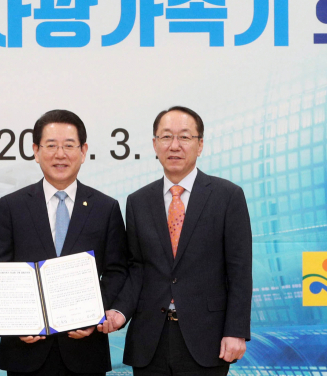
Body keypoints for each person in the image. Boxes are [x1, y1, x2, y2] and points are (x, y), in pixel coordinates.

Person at [99, 106, 252, 376]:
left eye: (185, 137)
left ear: (200, 145)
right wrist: (120, 312)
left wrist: (236, 331)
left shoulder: (227, 196)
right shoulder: (138, 201)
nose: (175, 146)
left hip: (207, 338)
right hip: (150, 339)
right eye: (166, 137)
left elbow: (239, 271)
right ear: (155, 144)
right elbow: (137, 269)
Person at [0, 109, 128, 376]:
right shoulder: (11, 207)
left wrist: (94, 314)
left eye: (69, 145)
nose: (60, 154)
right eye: (51, 145)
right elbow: (0, 269)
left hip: (85, 350)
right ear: (35, 150)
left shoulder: (105, 208)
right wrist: (16, 323)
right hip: (25, 352)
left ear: (83, 151)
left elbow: (117, 271)